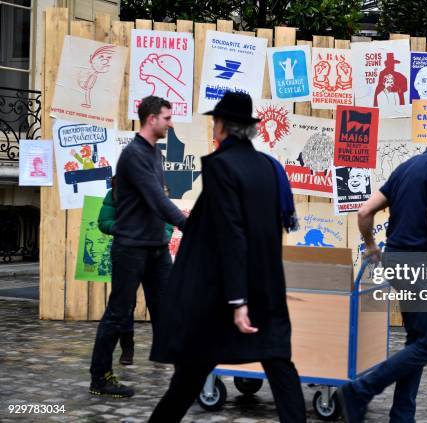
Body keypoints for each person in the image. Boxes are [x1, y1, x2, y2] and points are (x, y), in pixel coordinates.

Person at [149, 92, 306, 422]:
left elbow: (231, 234)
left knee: (189, 377)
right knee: (279, 367)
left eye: (215, 122)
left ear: (221, 127)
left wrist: (238, 300)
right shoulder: (267, 166)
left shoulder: (222, 166)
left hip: (224, 293)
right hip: (266, 286)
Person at [337, 120, 427, 423]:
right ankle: (359, 390)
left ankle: (402, 416)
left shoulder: (406, 167)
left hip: (394, 258)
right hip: (415, 262)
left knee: (417, 340)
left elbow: (364, 211)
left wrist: (371, 245)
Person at [89, 96, 187, 398]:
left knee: (168, 308)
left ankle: (185, 371)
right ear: (151, 119)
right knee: (119, 314)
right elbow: (156, 200)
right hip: (131, 248)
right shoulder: (133, 155)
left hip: (156, 247)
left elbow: (158, 199)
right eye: (167, 118)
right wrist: (187, 226)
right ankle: (100, 378)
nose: (171, 123)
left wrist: (181, 218)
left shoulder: (155, 153)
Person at [97, 176, 175, 366]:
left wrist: (163, 236)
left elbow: (168, 221)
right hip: (128, 253)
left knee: (161, 303)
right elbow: (104, 221)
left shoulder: (157, 190)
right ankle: (127, 349)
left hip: (157, 254)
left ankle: (162, 348)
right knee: (125, 305)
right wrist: (123, 228)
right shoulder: (117, 190)